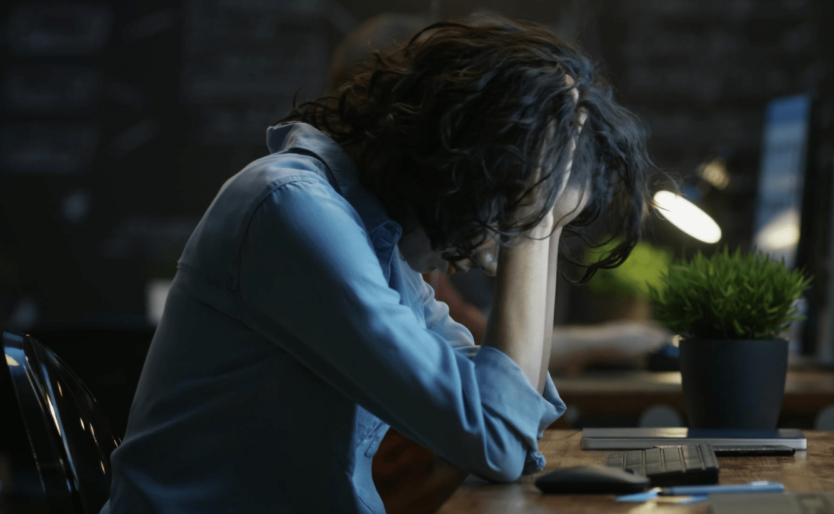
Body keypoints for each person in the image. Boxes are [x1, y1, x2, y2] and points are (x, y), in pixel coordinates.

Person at [100, 18, 651, 514]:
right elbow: (498, 439)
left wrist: (545, 209)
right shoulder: (291, 209)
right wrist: (536, 222)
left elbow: (513, 417)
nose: (490, 252)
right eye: (503, 211)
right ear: (460, 161)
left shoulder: (376, 243)